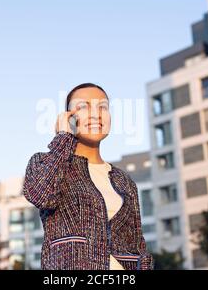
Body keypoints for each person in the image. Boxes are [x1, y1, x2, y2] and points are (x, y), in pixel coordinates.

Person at [23, 83, 154, 270]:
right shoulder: (45, 163)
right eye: (83, 107)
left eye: (103, 107)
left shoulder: (124, 181)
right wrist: (63, 138)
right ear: (67, 118)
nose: (96, 114)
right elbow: (41, 195)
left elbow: (138, 246)